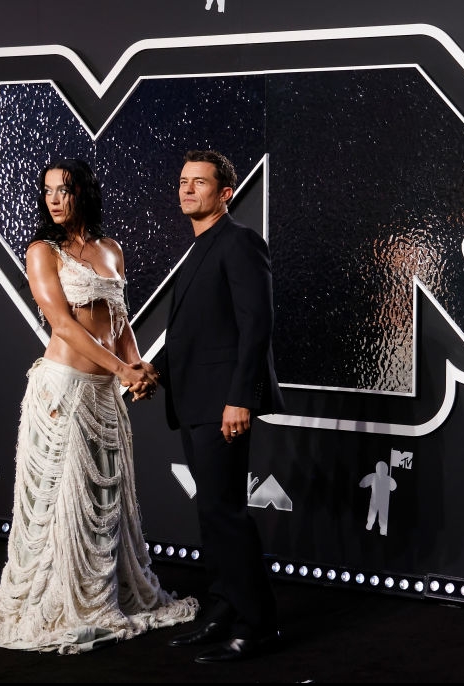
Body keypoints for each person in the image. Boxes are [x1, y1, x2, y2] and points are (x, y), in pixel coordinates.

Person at [0, 158, 198, 654]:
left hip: (105, 394)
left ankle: (101, 595)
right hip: (63, 389)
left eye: (63, 190)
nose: (54, 199)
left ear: (83, 193)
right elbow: (64, 325)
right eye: (47, 191)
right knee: (63, 502)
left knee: (103, 504)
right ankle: (57, 601)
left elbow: (120, 320)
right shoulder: (42, 252)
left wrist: (139, 365)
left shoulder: (111, 250)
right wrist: (122, 370)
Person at [155, 149, 285, 663]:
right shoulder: (199, 247)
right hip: (194, 401)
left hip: (222, 403)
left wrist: (239, 399)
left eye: (199, 183)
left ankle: (257, 623)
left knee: (226, 513)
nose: (187, 189)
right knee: (211, 511)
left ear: (225, 193)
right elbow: (196, 335)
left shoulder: (240, 242)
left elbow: (256, 326)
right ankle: (222, 608)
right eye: (183, 181)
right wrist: (153, 374)